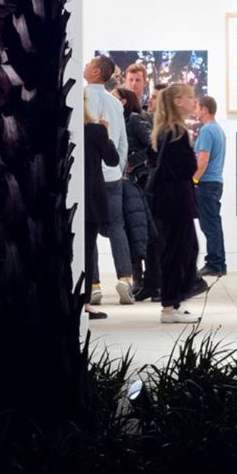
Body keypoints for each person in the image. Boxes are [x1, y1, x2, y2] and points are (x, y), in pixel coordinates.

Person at [146, 83, 204, 324]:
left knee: (183, 249)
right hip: (175, 202)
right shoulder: (176, 133)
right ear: (178, 101)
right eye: (190, 98)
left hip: (169, 201)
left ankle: (174, 301)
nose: (194, 102)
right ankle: (170, 305)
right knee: (178, 251)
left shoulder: (164, 131)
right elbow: (185, 167)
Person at [82, 57, 136, 306]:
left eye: (88, 64)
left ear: (95, 71)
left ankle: (93, 285)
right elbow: (123, 141)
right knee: (116, 226)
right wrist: (117, 167)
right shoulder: (115, 103)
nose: (84, 66)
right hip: (112, 176)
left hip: (89, 176)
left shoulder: (80, 98)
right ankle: (126, 279)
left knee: (89, 229)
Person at [82, 91, 120, 321]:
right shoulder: (95, 131)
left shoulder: (69, 130)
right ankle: (84, 302)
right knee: (87, 250)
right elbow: (112, 160)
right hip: (92, 198)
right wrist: (107, 135)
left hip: (74, 197)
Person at [116, 87, 155, 301]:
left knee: (139, 230)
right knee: (130, 231)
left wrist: (133, 162)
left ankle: (142, 281)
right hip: (123, 183)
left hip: (138, 182)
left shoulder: (134, 120)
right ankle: (136, 279)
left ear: (123, 101)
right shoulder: (117, 120)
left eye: (115, 97)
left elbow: (152, 145)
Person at [193, 95, 229, 277]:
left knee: (209, 225)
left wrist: (194, 180)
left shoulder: (207, 130)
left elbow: (203, 159)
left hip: (206, 183)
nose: (195, 110)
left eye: (197, 107)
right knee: (214, 223)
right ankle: (219, 263)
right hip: (215, 182)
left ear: (205, 109)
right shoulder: (218, 130)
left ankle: (214, 263)